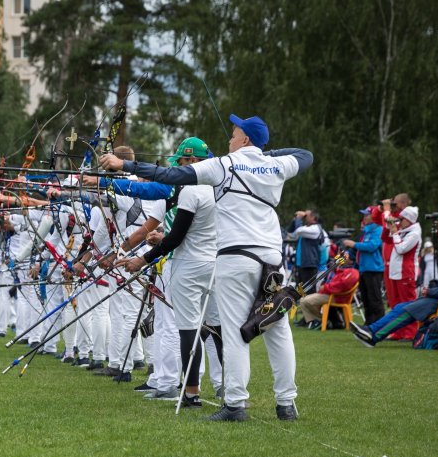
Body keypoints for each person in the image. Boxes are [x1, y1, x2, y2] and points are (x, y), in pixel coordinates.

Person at [100, 113, 313, 422]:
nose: (229, 139)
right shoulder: (276, 166)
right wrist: (263, 156)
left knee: (235, 330)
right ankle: (286, 404)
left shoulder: (224, 164)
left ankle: (236, 404)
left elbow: (171, 176)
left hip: (236, 258)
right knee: (277, 326)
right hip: (272, 257)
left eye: (234, 134)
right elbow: (305, 155)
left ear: (245, 140)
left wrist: (127, 166)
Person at [118, 136, 223, 408]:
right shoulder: (219, 188)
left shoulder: (191, 190)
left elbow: (177, 237)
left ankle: (190, 391)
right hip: (214, 266)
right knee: (215, 328)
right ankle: (227, 388)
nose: (178, 170)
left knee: (187, 329)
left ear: (192, 162)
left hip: (188, 266)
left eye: (182, 163)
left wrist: (142, 259)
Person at [351, 241, 438, 346]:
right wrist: (431, 288)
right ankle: (370, 329)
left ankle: (373, 337)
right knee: (399, 307)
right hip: (435, 300)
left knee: (406, 313)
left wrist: (430, 291)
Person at [342, 207, 385, 324]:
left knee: (375, 299)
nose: (364, 217)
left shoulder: (379, 230)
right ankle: (369, 323)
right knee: (366, 299)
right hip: (363, 268)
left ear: (374, 216)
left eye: (367, 215)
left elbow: (372, 246)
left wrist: (354, 244)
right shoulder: (367, 231)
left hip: (374, 269)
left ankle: (379, 324)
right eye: (364, 215)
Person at [385, 205, 422, 339]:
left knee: (408, 303)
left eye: (401, 219)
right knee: (396, 304)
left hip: (406, 273)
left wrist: (395, 232)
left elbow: (401, 249)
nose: (399, 221)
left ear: (409, 219)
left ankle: (411, 333)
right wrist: (389, 227)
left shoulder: (414, 233)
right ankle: (398, 331)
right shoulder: (403, 230)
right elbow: (386, 239)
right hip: (396, 272)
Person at [297, 253, 359, 330]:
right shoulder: (340, 270)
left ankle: (322, 321)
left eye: (346, 258)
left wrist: (325, 287)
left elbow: (342, 285)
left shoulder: (353, 272)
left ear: (351, 261)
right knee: (302, 300)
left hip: (336, 297)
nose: (342, 259)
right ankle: (316, 321)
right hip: (329, 294)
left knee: (307, 301)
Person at [286, 210, 325, 297]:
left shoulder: (316, 228)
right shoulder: (306, 229)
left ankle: (311, 309)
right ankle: (303, 308)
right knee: (301, 290)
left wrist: (299, 218)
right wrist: (295, 219)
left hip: (310, 265)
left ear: (313, 217)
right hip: (301, 264)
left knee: (309, 291)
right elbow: (291, 233)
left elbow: (299, 230)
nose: (305, 217)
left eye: (306, 215)